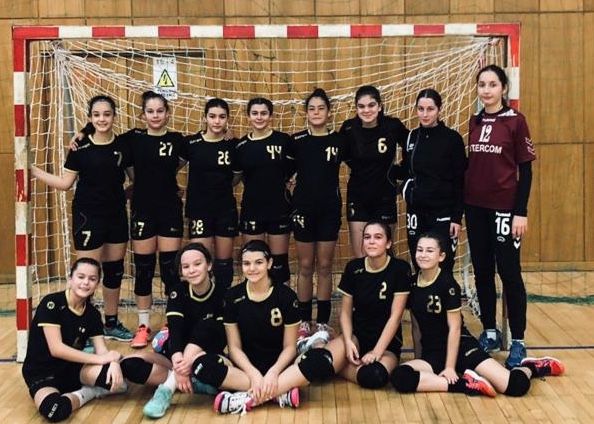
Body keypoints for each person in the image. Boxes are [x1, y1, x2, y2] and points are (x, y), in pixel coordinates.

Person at [391, 233, 565, 397]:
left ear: (441, 256)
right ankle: (465, 384)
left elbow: (455, 328)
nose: (423, 255)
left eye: (430, 251)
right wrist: (419, 359)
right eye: (420, 250)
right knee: (400, 376)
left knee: (515, 386)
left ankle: (531, 367)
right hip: (433, 353)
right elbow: (416, 326)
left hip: (462, 346)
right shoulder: (411, 284)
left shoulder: (448, 285)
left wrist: (450, 367)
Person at [31, 95, 132, 343]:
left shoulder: (123, 146)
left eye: (106, 114)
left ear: (114, 116)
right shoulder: (80, 147)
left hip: (116, 216)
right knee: (87, 273)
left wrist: (122, 196)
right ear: (90, 118)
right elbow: (65, 183)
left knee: (114, 271)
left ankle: (111, 322)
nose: (102, 119)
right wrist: (33, 171)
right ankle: (81, 326)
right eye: (96, 115)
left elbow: (135, 179)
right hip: (88, 217)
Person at [464, 64, 536, 367]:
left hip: (505, 209)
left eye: (492, 84)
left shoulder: (516, 121)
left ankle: (518, 340)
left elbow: (526, 171)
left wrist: (520, 212)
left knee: (509, 272)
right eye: (482, 84)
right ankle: (490, 331)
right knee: (482, 270)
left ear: (503, 88)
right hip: (474, 207)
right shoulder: (475, 120)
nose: (487, 90)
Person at [190, 240, 302, 414]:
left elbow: (290, 347)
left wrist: (273, 373)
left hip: (279, 367)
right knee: (200, 365)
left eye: (259, 262)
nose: (252, 268)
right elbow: (234, 348)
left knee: (320, 360)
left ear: (269, 263)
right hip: (244, 368)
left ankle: (247, 397)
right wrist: (253, 374)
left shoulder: (287, 296)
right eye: (247, 263)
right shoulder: (232, 296)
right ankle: (277, 393)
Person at [119, 243, 226, 419]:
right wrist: (179, 364)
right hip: (177, 357)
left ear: (209, 265)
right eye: (186, 267)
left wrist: (184, 365)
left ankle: (167, 389)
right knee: (129, 364)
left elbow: (220, 338)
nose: (192, 270)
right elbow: (175, 331)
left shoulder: (222, 293)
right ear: (181, 271)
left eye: (197, 264)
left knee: (207, 326)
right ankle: (193, 382)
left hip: (205, 356)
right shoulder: (178, 292)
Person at [22, 258, 127, 422]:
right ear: (70, 279)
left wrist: (113, 362)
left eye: (92, 279)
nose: (86, 282)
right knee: (54, 410)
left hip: (73, 370)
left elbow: (102, 351)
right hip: (42, 373)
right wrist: (101, 359)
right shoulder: (51, 303)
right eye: (81, 277)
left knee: (121, 377)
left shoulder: (92, 314)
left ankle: (167, 383)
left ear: (97, 284)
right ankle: (90, 392)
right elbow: (57, 349)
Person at [288, 88, 343, 347]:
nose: (317, 112)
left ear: (329, 112)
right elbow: (284, 172)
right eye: (312, 109)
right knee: (305, 265)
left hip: (329, 210)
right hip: (303, 210)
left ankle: (322, 321)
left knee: (325, 265)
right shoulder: (297, 141)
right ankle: (303, 320)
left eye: (321, 108)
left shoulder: (339, 141)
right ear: (306, 113)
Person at [392, 88, 466, 273]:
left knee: (443, 266)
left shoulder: (452, 139)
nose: (425, 114)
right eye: (421, 109)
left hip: (442, 213)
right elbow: (407, 169)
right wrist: (398, 183)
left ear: (439, 109)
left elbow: (460, 180)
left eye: (430, 109)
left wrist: (456, 217)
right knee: (420, 263)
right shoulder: (412, 137)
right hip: (415, 213)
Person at [340, 85, 409, 257]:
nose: (366, 110)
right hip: (358, 197)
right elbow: (340, 154)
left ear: (379, 106)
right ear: (356, 108)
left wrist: (400, 172)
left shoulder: (392, 126)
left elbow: (413, 147)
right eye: (361, 106)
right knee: (361, 255)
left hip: (385, 197)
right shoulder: (349, 128)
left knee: (385, 253)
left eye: (371, 105)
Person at [233, 98, 294, 284]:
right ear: (248, 117)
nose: (259, 117)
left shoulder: (284, 141)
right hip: (252, 209)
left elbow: (295, 170)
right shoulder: (241, 146)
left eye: (263, 113)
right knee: (253, 261)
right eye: (255, 113)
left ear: (270, 116)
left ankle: (281, 299)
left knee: (279, 263)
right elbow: (236, 178)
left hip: (279, 209)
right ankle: (254, 300)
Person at [180, 98, 239, 289]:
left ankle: (224, 301)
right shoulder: (191, 143)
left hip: (225, 210)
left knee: (224, 264)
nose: (217, 121)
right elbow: (170, 168)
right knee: (200, 261)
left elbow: (237, 176)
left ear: (227, 119)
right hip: (199, 210)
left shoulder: (233, 145)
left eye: (222, 117)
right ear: (205, 118)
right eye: (212, 116)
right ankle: (203, 301)